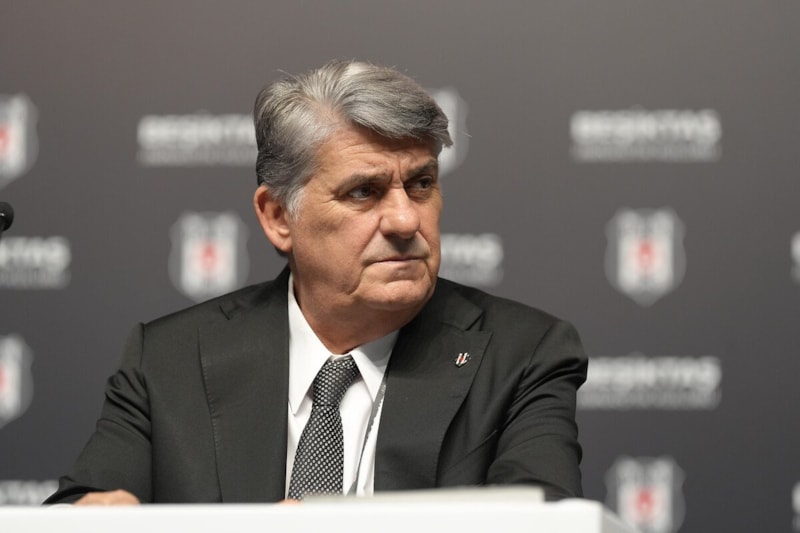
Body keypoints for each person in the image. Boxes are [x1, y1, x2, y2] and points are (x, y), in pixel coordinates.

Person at [45, 60, 587, 505]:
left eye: (421, 184)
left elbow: (541, 521)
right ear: (279, 217)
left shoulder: (521, 355)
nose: (405, 220)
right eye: (363, 192)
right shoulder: (169, 361)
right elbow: (82, 510)